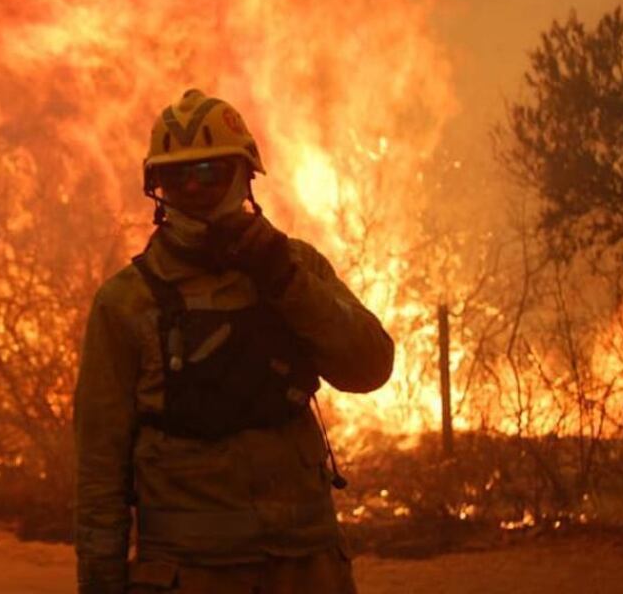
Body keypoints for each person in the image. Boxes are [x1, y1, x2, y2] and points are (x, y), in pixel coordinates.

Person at [74, 89, 395, 594]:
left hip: (307, 568)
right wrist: (101, 580)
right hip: (192, 574)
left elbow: (370, 368)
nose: (196, 189)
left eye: (210, 172)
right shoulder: (126, 303)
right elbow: (100, 469)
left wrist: (286, 282)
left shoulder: (296, 269)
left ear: (245, 174)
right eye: (178, 177)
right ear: (157, 187)